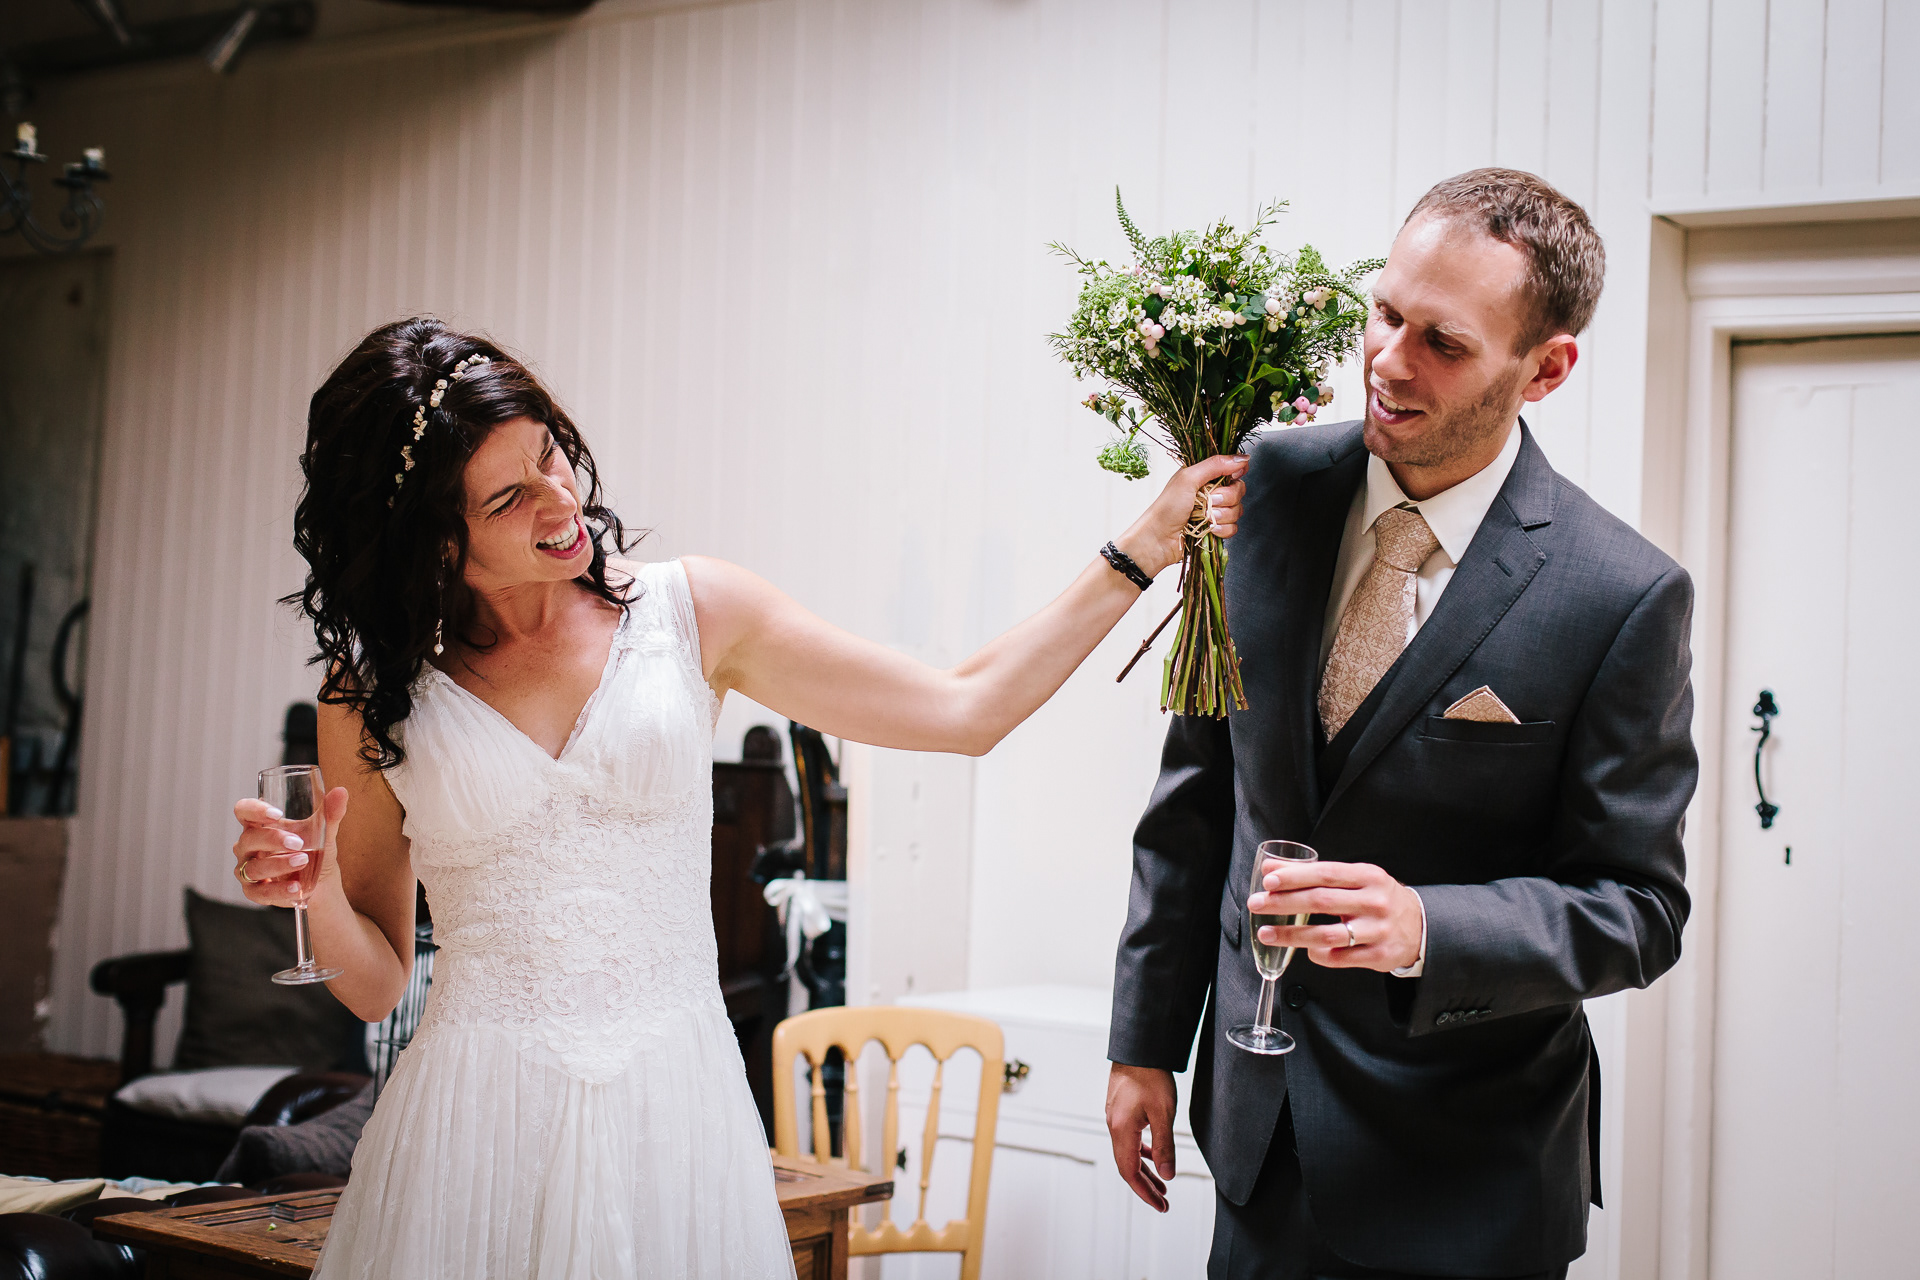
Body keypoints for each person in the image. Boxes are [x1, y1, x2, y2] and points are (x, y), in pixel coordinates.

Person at [229, 316, 1247, 1280]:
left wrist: (1143, 550)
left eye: (549, 453)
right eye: (507, 500)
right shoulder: (372, 691)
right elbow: (374, 981)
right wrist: (310, 892)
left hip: (676, 1113)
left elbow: (965, 707)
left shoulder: (691, 610)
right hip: (472, 1131)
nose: (558, 501)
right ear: (431, 544)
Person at [1104, 169, 1696, 1280]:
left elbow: (1639, 907)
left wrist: (1427, 923)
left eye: (1444, 341)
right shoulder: (1258, 490)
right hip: (1256, 1136)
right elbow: (1195, 797)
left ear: (1547, 368)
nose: (1387, 360)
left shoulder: (1622, 594)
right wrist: (1142, 1043)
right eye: (1384, 312)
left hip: (1467, 1178)